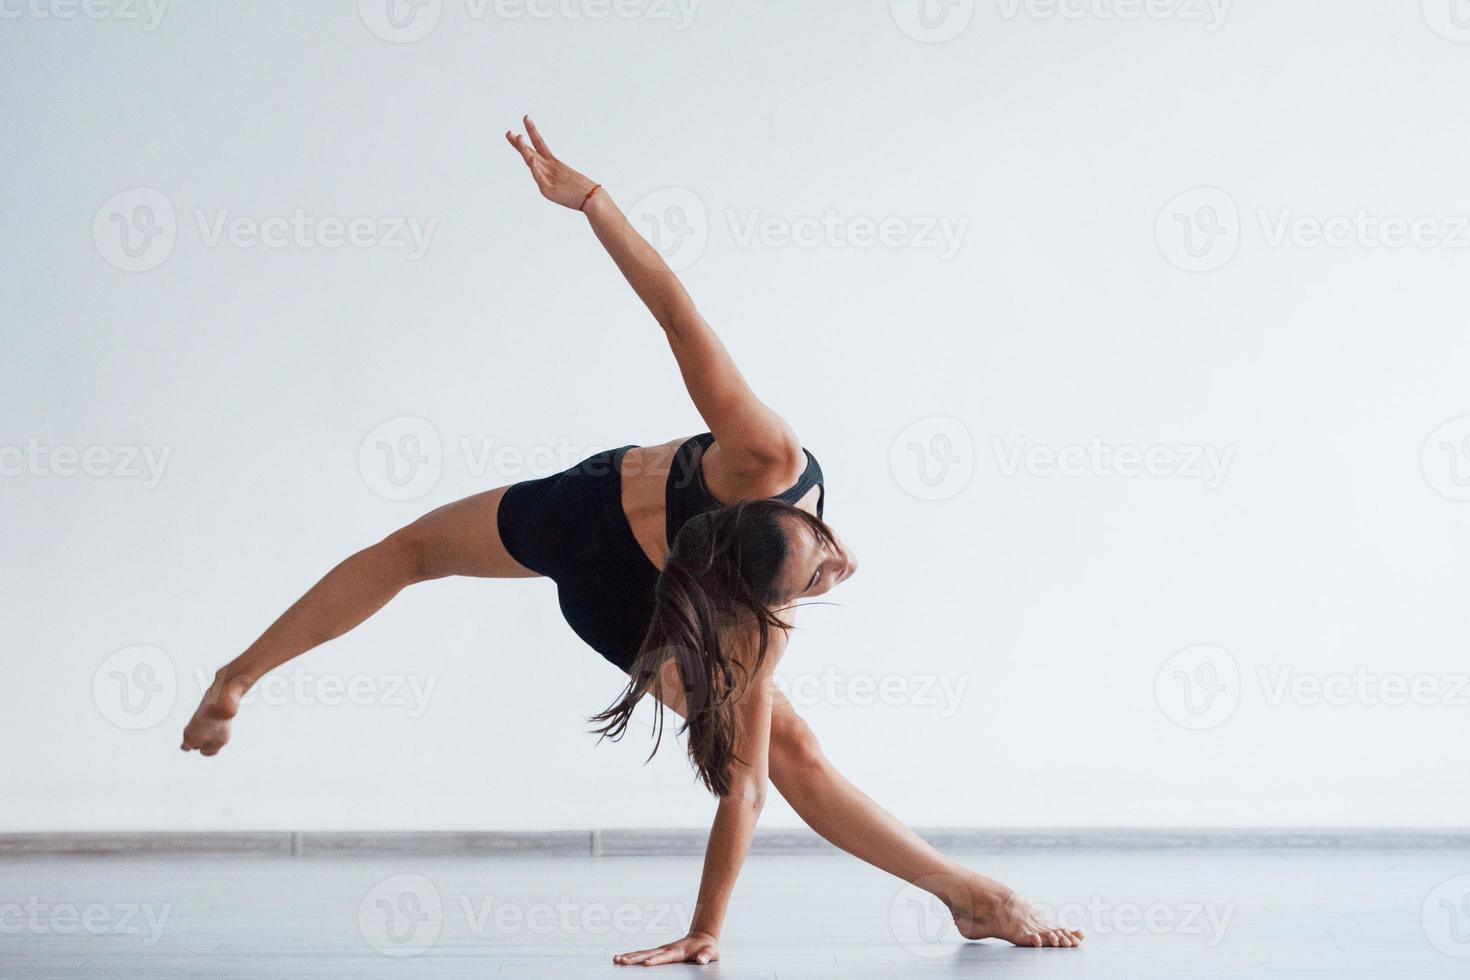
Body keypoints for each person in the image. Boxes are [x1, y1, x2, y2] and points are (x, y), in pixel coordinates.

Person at [181, 116, 1085, 965]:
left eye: (818, 570)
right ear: (763, 558)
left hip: (651, 596)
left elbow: (745, 790)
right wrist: (591, 204)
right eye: (822, 567)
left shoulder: (756, 541)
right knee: (409, 552)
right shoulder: (754, 534)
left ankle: (967, 894)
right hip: (588, 531)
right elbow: (676, 316)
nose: (841, 564)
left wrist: (705, 931)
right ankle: (236, 679)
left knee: (790, 750)